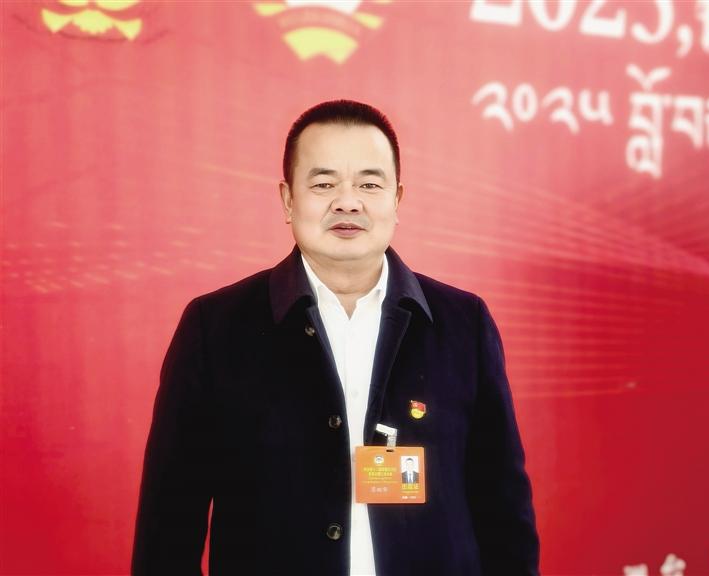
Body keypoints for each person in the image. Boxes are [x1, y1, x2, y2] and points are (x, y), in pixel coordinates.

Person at [132, 100, 539, 576]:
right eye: (324, 184)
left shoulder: (462, 323)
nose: (348, 202)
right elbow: (170, 524)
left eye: (369, 184)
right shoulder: (215, 327)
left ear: (397, 199)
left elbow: (503, 508)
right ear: (288, 199)